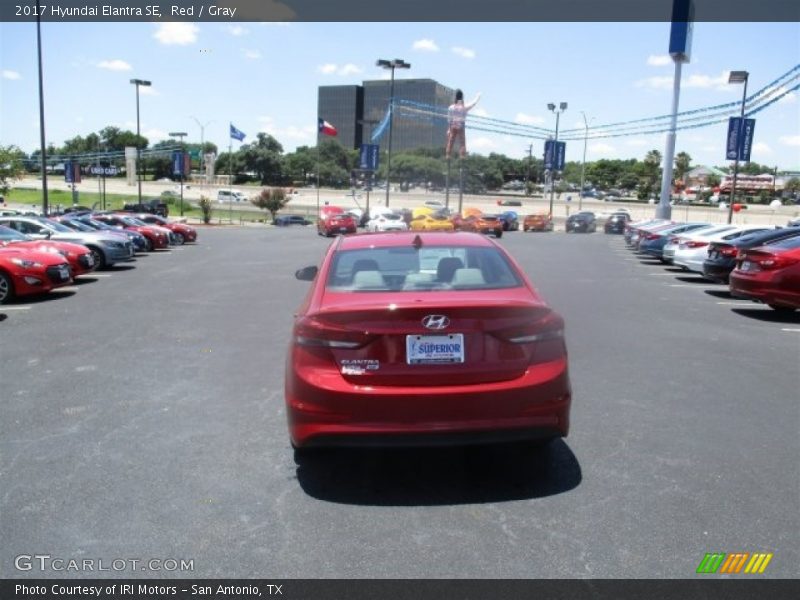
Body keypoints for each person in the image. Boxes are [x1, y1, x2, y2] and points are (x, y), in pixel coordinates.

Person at [445, 89, 481, 160]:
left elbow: (449, 119)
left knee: (451, 141)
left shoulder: (451, 107)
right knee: (462, 142)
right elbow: (473, 103)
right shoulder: (464, 107)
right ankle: (462, 156)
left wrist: (449, 129)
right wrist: (478, 97)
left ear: (455, 97)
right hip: (461, 126)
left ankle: (448, 155)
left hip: (453, 126)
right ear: (462, 97)